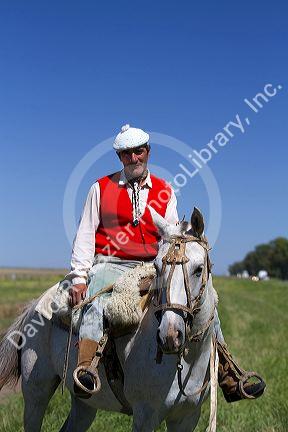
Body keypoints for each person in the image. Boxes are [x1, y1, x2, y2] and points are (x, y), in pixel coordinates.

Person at [68, 124, 266, 401]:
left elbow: (172, 231)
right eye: (126, 154)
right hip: (109, 263)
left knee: (207, 301)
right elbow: (85, 233)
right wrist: (79, 276)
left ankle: (228, 372)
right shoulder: (99, 188)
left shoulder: (165, 189)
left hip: (152, 265)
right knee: (94, 305)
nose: (133, 158)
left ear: (148, 151)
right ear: (120, 158)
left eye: (138, 152)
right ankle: (86, 370)